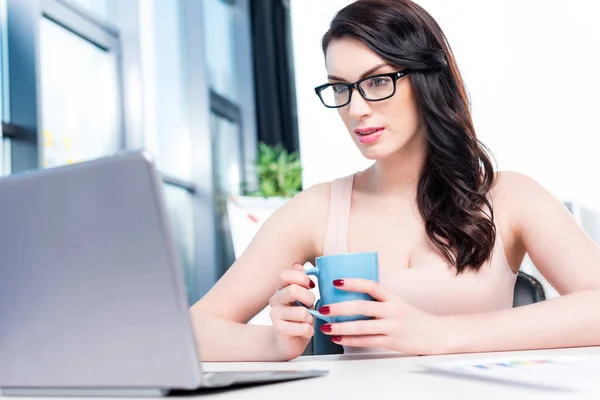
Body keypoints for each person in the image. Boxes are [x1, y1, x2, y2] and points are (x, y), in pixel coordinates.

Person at [189, 0, 600, 361]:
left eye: (377, 81)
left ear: (426, 78)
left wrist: (439, 334)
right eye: (340, 89)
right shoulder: (318, 209)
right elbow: (194, 328)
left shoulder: (509, 196)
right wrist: (277, 345)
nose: (356, 109)